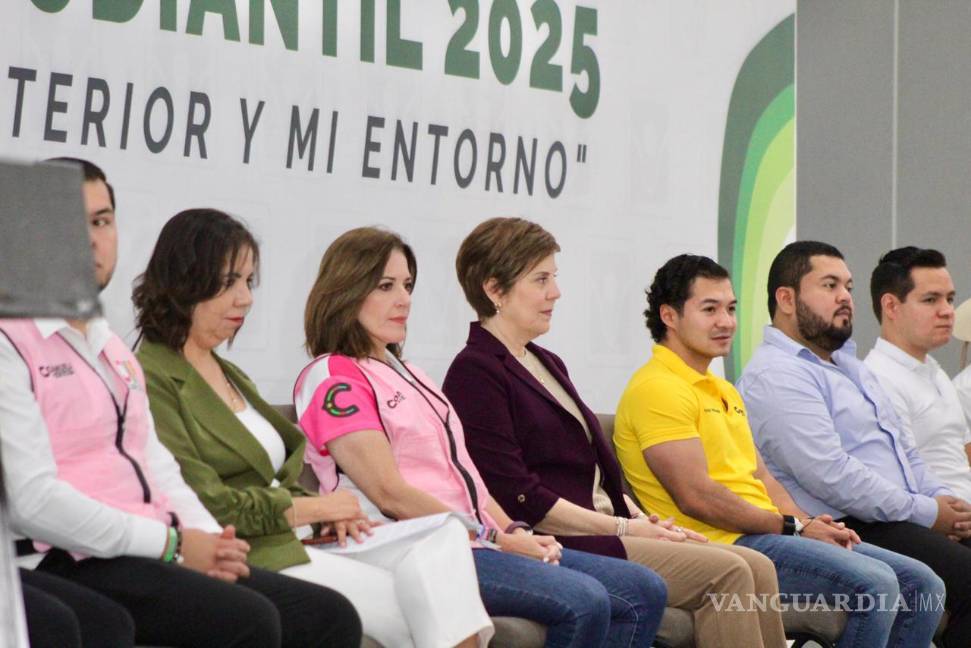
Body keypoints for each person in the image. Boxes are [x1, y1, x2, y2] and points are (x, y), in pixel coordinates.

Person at [0, 158, 361, 648]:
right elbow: (33, 501)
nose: (90, 238)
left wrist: (210, 542)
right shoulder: (12, 339)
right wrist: (172, 543)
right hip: (68, 552)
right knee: (246, 619)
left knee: (327, 616)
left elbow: (158, 466)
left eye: (102, 221)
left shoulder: (107, 347)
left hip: (146, 545)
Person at [294, 226, 668, 648]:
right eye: (385, 286)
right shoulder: (334, 375)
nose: (403, 299)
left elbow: (467, 478)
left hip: (477, 539)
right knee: (584, 600)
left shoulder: (412, 374)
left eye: (408, 285)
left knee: (643, 591)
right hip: (419, 545)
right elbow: (389, 493)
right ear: (346, 291)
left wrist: (516, 530)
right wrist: (494, 538)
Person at [135, 209, 492, 648]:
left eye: (249, 282)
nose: (245, 298)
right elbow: (204, 501)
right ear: (183, 282)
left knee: (442, 537)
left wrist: (330, 517)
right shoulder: (149, 376)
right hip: (251, 549)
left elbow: (278, 475)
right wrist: (314, 510)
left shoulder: (229, 373)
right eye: (229, 282)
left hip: (304, 537)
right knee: (418, 607)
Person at [442, 217, 786, 648]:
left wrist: (642, 519)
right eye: (541, 279)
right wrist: (624, 529)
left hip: (607, 527)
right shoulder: (475, 371)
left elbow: (596, 472)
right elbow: (517, 494)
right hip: (568, 538)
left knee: (757, 566)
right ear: (495, 290)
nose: (556, 292)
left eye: (554, 278)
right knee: (730, 573)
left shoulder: (545, 361)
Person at [615, 253, 945, 648]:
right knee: (873, 585)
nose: (726, 321)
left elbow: (762, 477)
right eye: (710, 309)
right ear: (669, 316)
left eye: (731, 308)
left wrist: (810, 525)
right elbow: (696, 496)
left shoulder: (722, 388)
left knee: (924, 584)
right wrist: (791, 528)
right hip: (721, 544)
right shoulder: (658, 387)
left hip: (768, 534)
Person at [737, 240, 971, 647]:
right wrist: (927, 512)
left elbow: (905, 451)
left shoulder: (850, 366)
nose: (845, 297)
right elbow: (831, 474)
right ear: (786, 299)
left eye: (847, 286)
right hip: (846, 524)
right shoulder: (777, 375)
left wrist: (940, 502)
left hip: (896, 515)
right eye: (829, 286)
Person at [864, 247, 971, 501]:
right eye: (931, 300)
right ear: (891, 306)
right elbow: (901, 482)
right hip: (942, 522)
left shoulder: (934, 371)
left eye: (949, 299)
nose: (947, 311)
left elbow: (959, 457)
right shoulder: (878, 379)